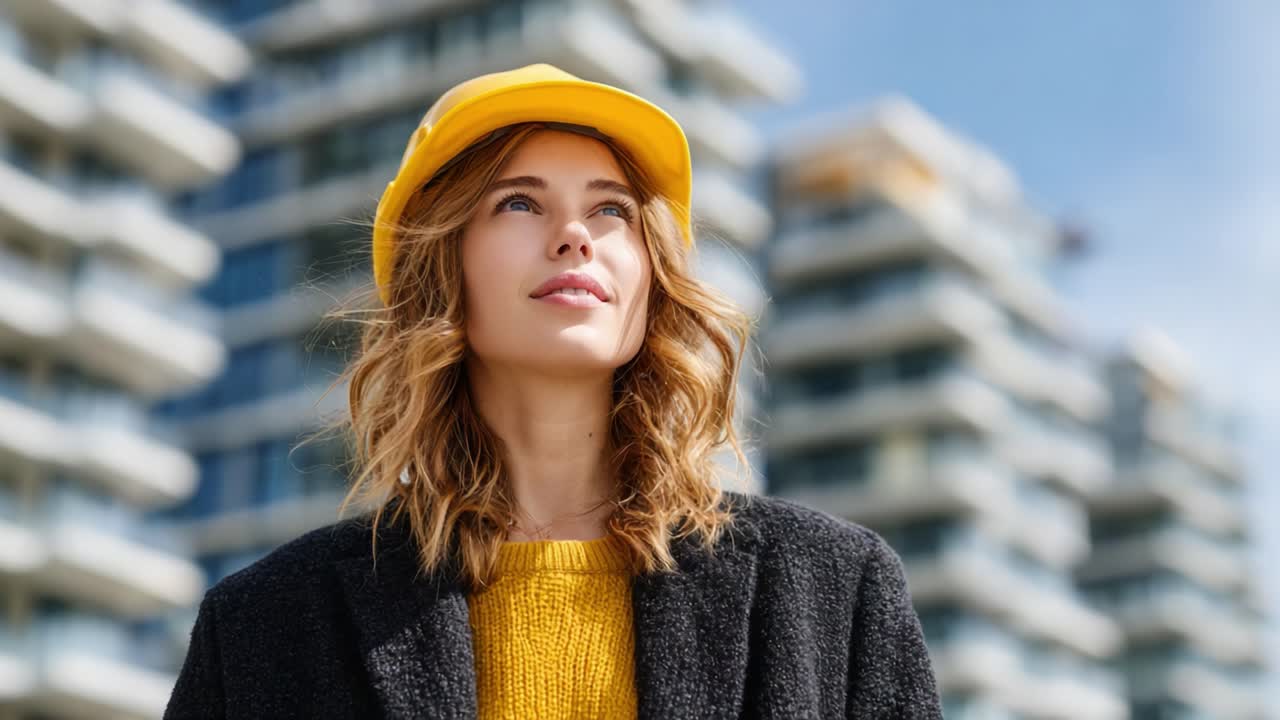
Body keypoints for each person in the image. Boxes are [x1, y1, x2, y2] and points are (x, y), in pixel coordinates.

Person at [163, 63, 943, 719]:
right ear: (443, 269)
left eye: (611, 210)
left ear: (652, 274)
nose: (575, 235)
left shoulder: (835, 591)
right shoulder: (264, 625)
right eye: (519, 202)